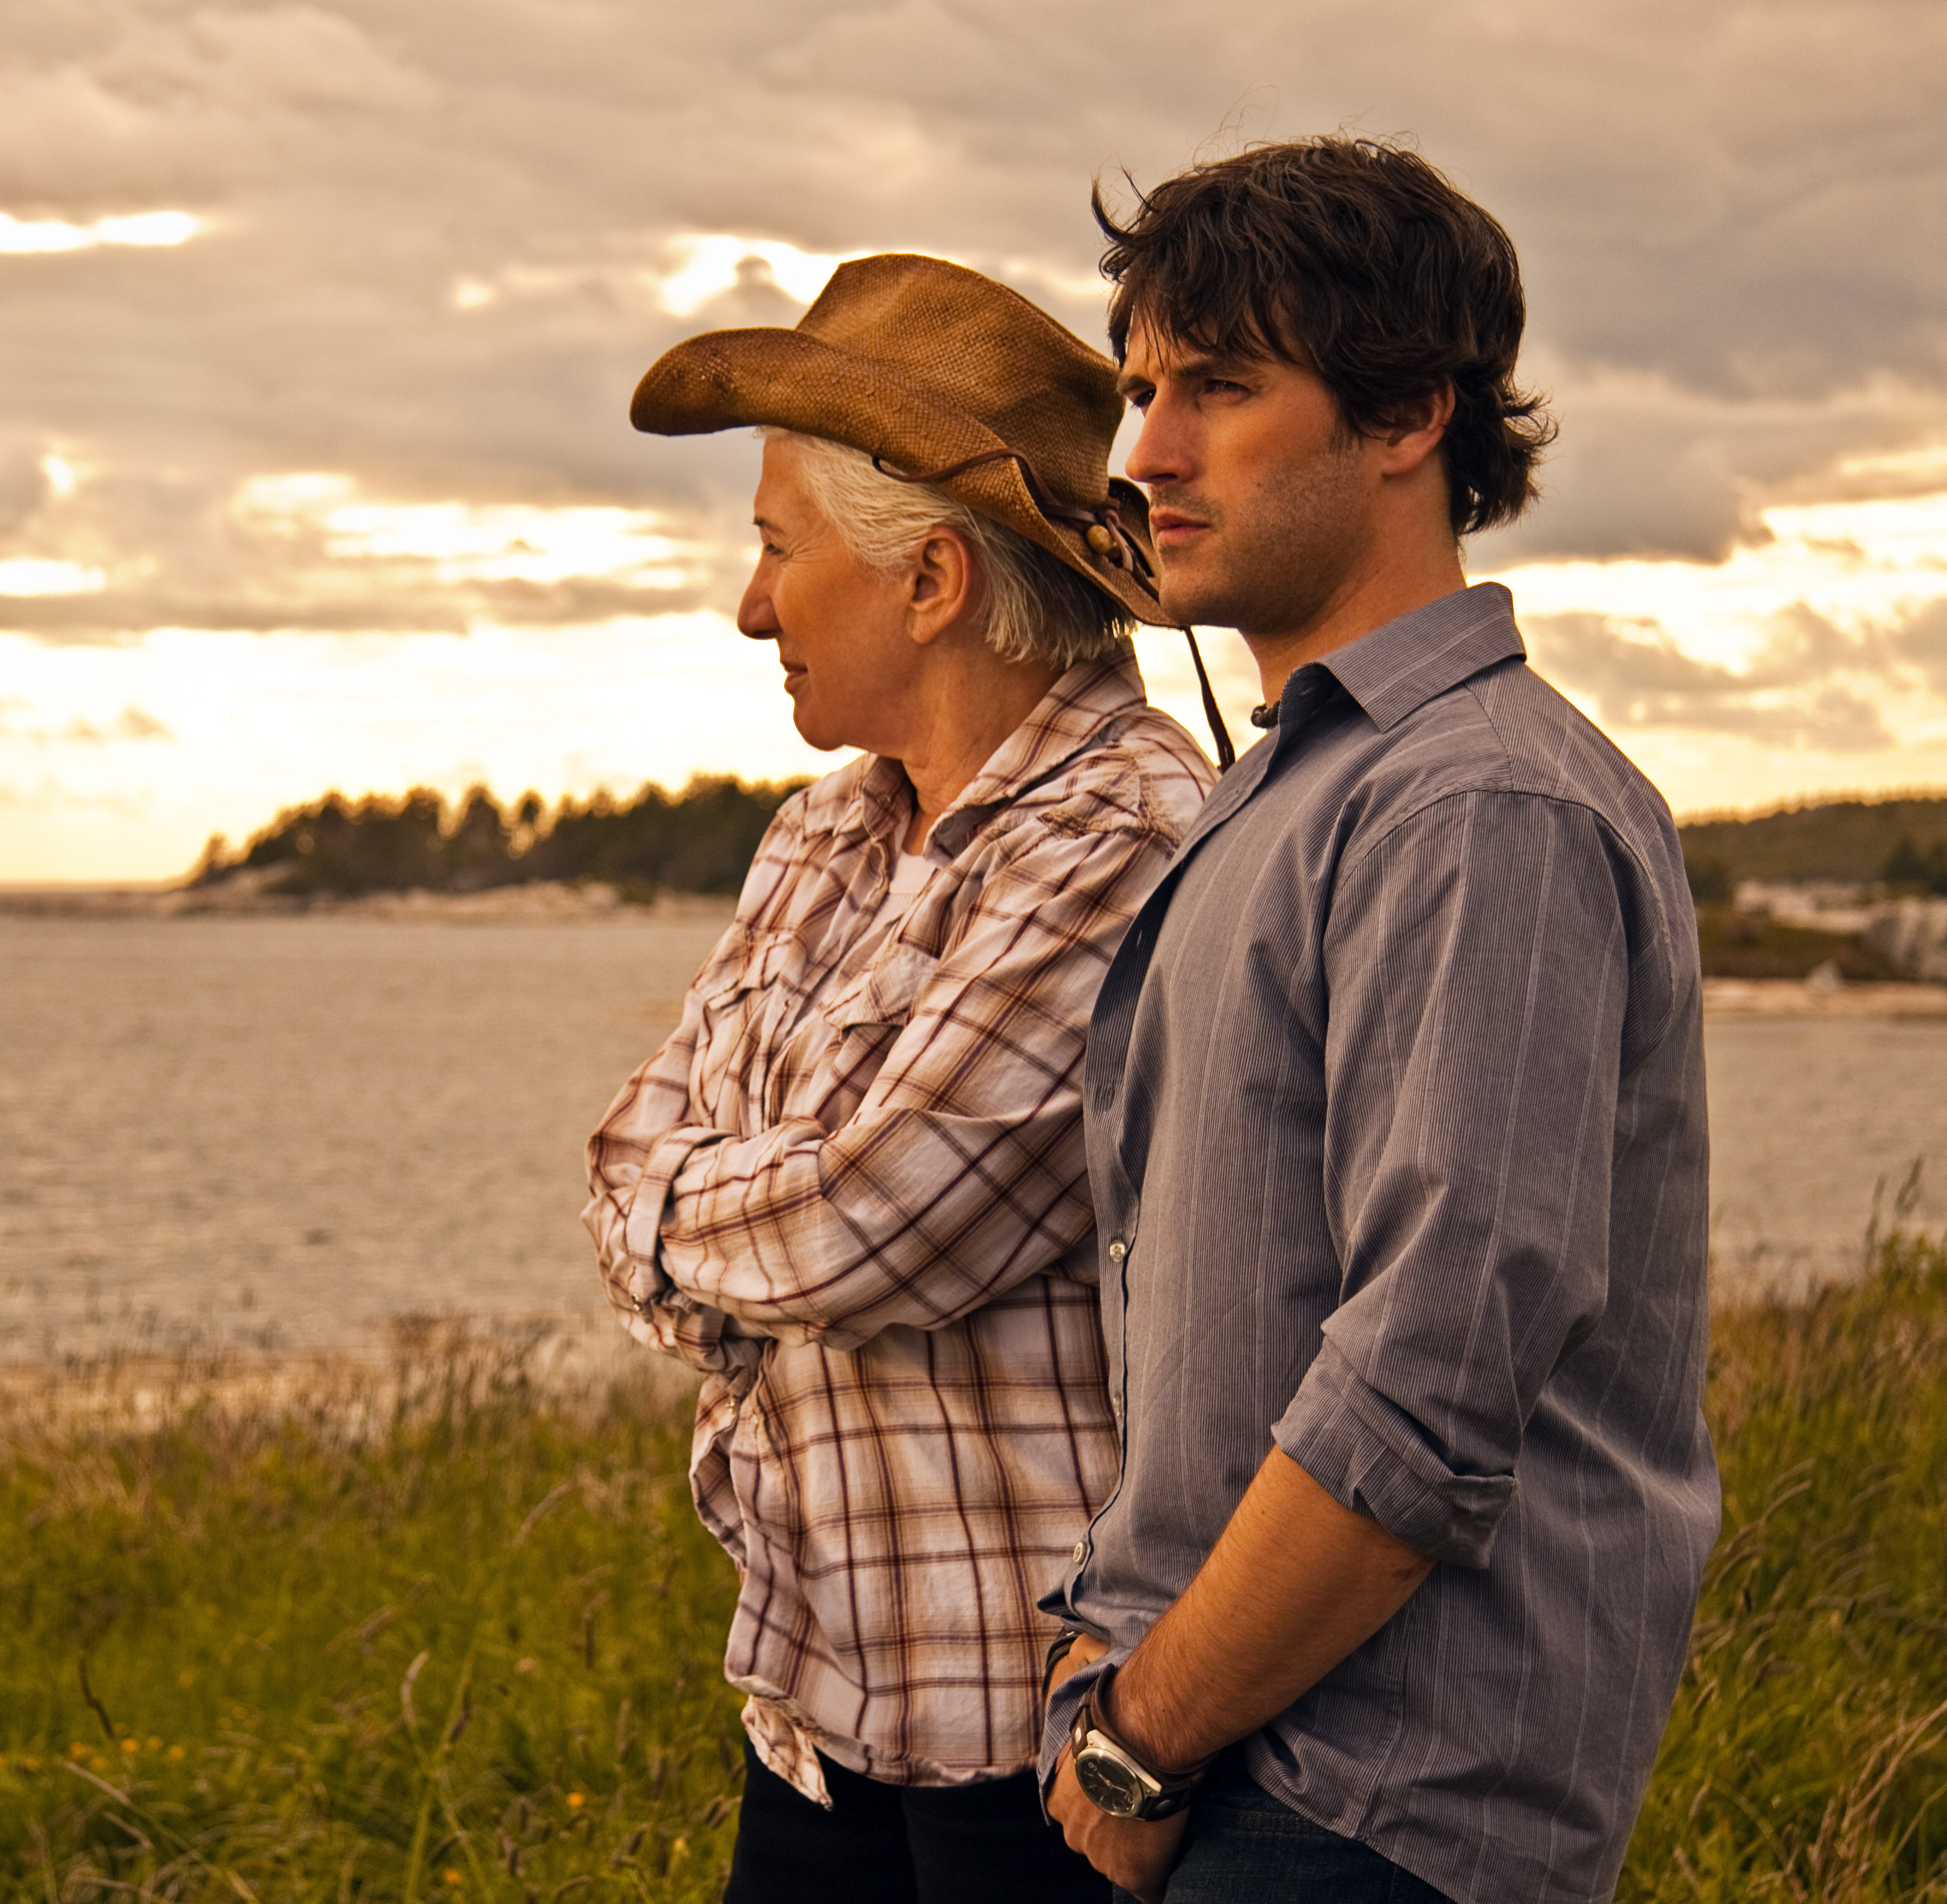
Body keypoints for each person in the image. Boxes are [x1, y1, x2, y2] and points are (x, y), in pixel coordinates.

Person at [1036, 138, 1719, 1904]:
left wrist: (1141, 1733)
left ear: (1411, 412)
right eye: (1136, 391)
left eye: (1218, 390)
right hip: (1253, 1760)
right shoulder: (1311, 783)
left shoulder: (1479, 806)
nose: (1143, 455)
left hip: (1376, 1805)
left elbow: (1426, 1385)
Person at [586, 252, 1224, 1902]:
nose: (748, 606)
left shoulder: (1131, 834)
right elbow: (631, 1157)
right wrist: (739, 1208)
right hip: (818, 1702)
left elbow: (872, 1222)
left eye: (775, 550)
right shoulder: (830, 826)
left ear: (933, 579)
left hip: (1043, 1753)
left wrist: (695, 1222)